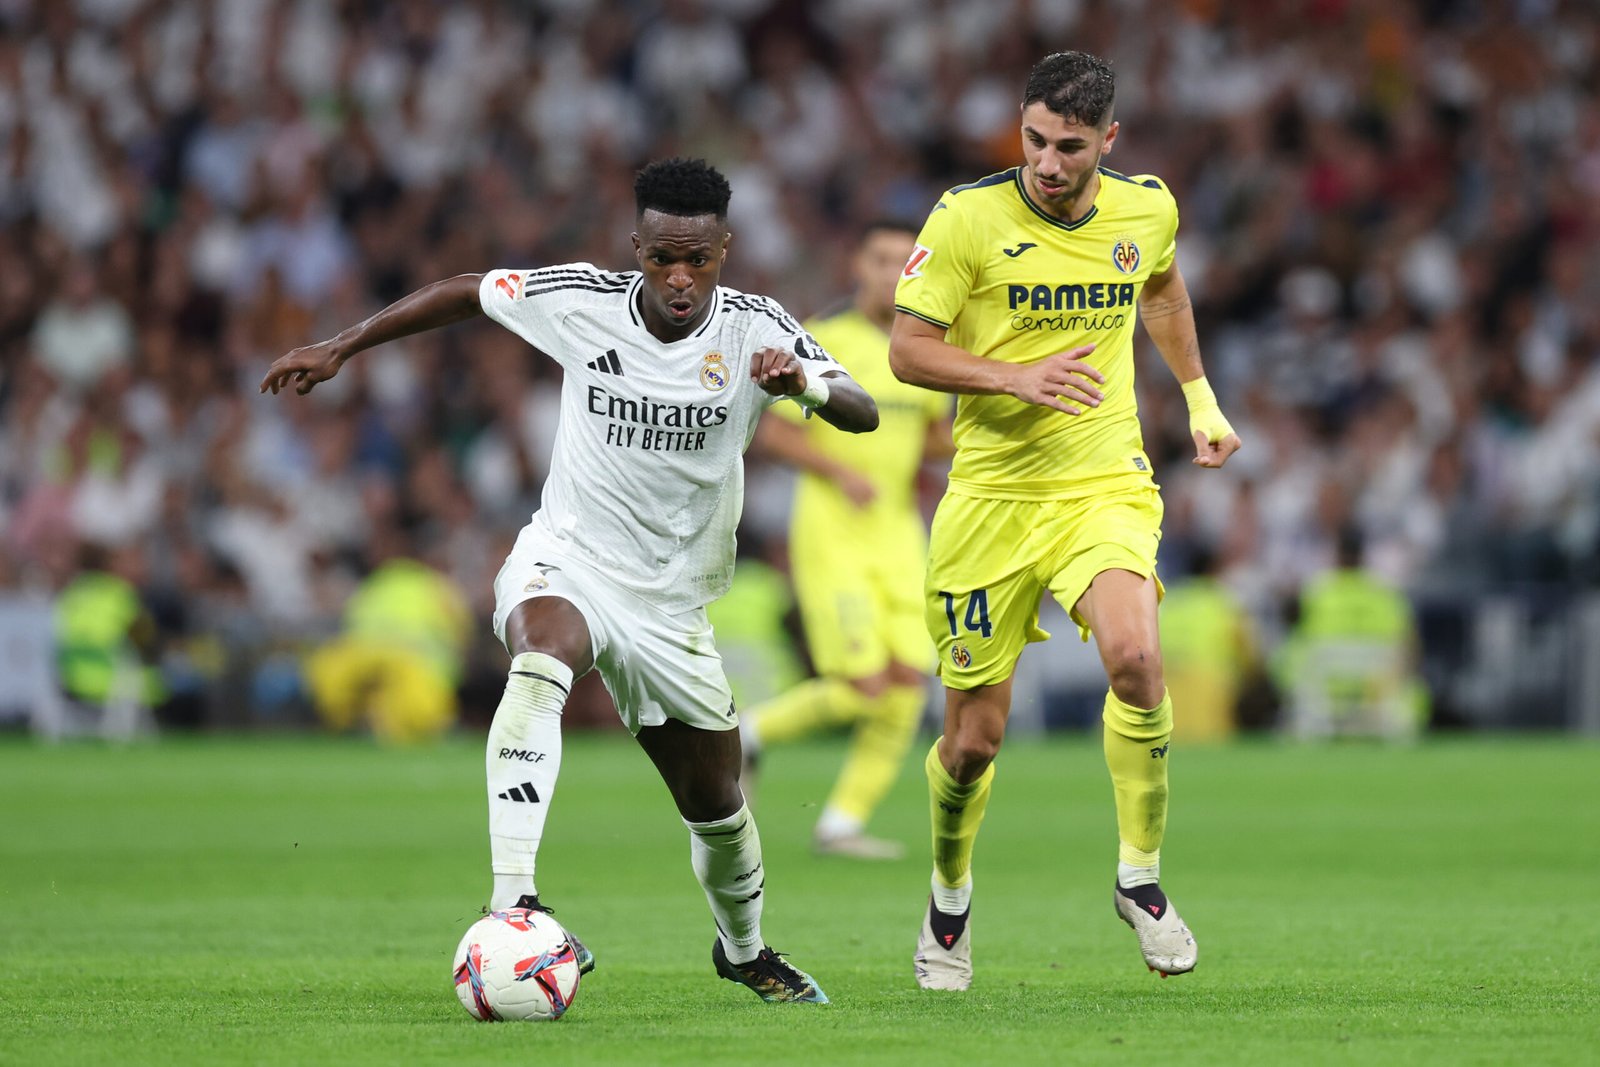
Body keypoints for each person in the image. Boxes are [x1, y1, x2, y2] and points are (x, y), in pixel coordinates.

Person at [261, 158, 878, 1004]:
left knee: (719, 805)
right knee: (542, 652)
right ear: (638, 247)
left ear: (724, 251)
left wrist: (801, 381)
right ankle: (514, 900)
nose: (680, 277)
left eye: (697, 259)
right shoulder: (581, 300)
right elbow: (468, 288)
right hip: (572, 558)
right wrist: (343, 345)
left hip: (673, 605)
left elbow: (861, 405)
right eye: (662, 257)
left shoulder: (752, 328)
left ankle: (744, 950)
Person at [888, 52, 1242, 990]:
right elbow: (907, 350)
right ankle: (950, 894)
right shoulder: (966, 219)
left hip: (1101, 483)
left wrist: (1201, 397)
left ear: (1108, 142)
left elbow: (1160, 289)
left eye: (1070, 147)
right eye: (1035, 140)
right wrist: (1012, 376)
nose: (1047, 162)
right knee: (973, 742)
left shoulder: (1147, 207)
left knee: (1136, 658)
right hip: (991, 500)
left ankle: (1140, 876)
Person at [741, 219, 953, 860]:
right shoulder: (823, 339)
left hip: (897, 533)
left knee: (910, 683)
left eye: (904, 260)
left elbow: (933, 438)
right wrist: (840, 472)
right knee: (862, 684)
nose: (893, 271)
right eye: (880, 257)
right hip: (833, 530)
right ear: (857, 266)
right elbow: (772, 432)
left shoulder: (924, 351)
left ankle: (840, 824)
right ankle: (747, 731)